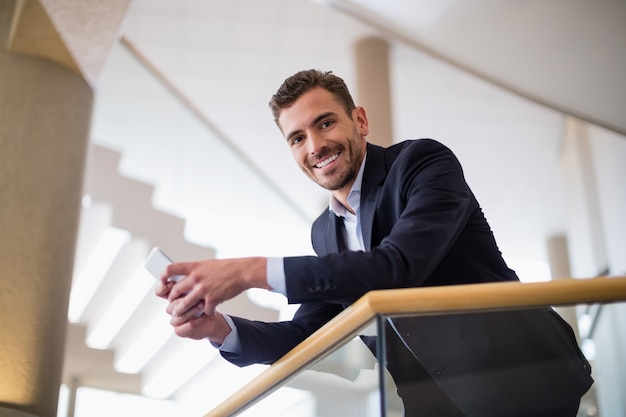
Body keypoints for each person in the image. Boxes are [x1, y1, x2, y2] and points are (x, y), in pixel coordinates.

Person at [156, 69, 593, 416]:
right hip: (435, 404)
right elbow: (308, 333)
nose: (316, 145)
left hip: (522, 378)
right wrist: (219, 329)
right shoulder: (323, 231)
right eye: (297, 138)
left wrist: (250, 271)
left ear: (359, 121)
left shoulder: (422, 163)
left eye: (325, 123)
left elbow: (397, 267)